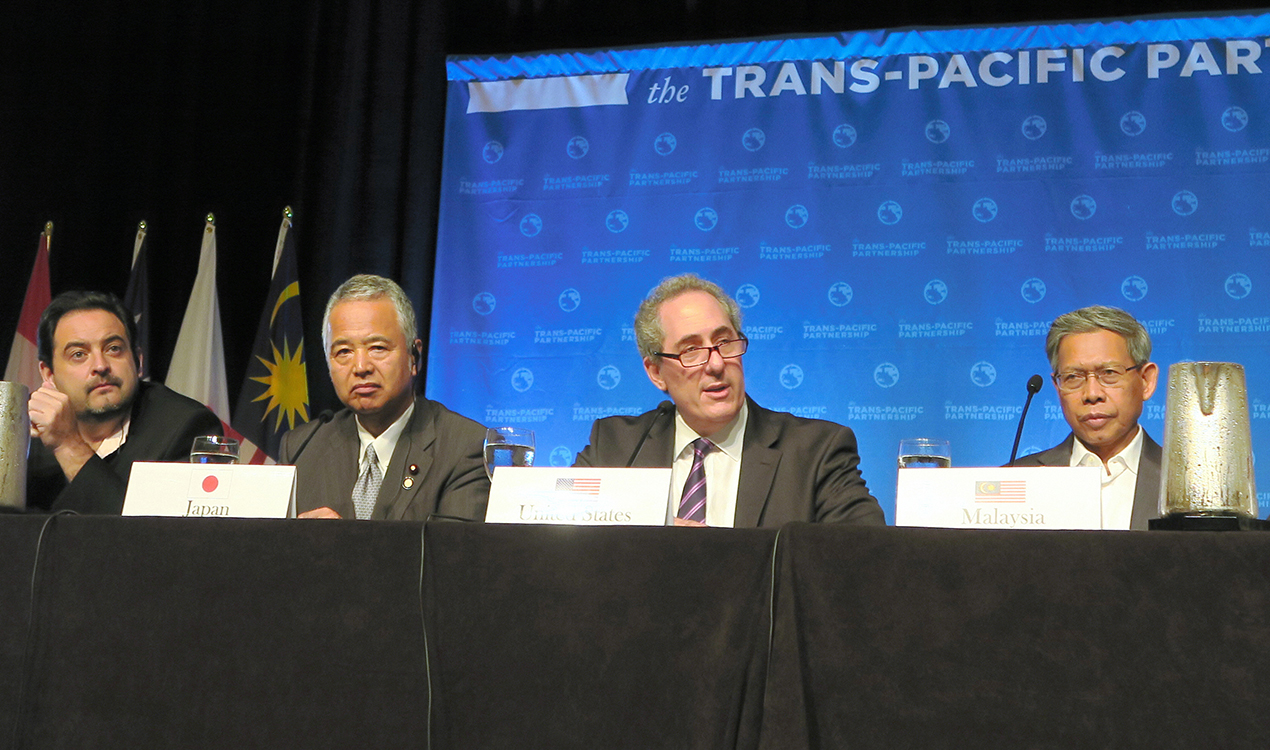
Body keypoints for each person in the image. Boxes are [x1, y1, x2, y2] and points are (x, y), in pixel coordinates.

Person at [574, 273, 884, 527]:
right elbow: (557, 532)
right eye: (691, 350)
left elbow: (862, 555)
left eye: (724, 342)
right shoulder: (615, 448)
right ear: (656, 372)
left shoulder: (816, 451)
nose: (717, 364)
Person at [279, 274, 489, 520]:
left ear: (414, 357)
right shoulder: (301, 448)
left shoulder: (466, 447)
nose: (360, 366)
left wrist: (342, 543)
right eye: (343, 351)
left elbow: (451, 554)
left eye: (377, 348)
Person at [26, 291, 222, 514]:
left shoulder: (186, 428)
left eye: (113, 349)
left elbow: (155, 539)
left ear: (138, 362)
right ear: (49, 374)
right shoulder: (25, 439)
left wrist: (69, 446)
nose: (100, 365)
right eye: (79, 354)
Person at [1013, 305, 1160, 530]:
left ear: (1145, 381)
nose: (1092, 394)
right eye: (1073, 377)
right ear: (1057, 387)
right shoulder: (1014, 481)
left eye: (1109, 373)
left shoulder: (1190, 482)